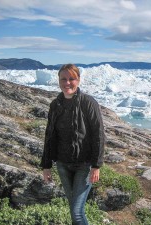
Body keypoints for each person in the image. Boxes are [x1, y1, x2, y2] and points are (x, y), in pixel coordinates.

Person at [40, 64, 105, 225]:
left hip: (84, 165)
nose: (67, 82)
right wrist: (46, 165)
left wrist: (96, 165)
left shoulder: (88, 103)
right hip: (63, 164)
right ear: (59, 81)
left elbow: (99, 135)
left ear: (78, 80)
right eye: (64, 79)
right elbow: (50, 136)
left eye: (71, 79)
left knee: (76, 213)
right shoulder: (55, 105)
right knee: (75, 210)